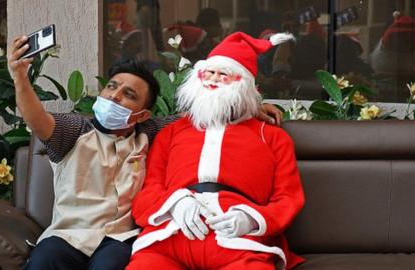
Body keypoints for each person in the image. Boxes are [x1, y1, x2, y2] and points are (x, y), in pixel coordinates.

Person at [8, 34, 283, 270]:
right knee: (45, 260)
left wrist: (250, 106)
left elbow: (209, 107)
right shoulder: (75, 130)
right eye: (112, 87)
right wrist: (20, 77)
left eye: (129, 95)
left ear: (142, 114)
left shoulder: (149, 132)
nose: (115, 96)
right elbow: (36, 118)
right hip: (68, 235)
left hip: (119, 238)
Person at [126, 32, 305, 270]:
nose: (213, 80)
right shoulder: (172, 132)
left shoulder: (272, 137)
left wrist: (250, 218)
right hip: (170, 236)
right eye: (208, 73)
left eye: (224, 75)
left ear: (244, 87)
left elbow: (288, 198)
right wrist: (175, 204)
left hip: (239, 245)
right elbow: (148, 191)